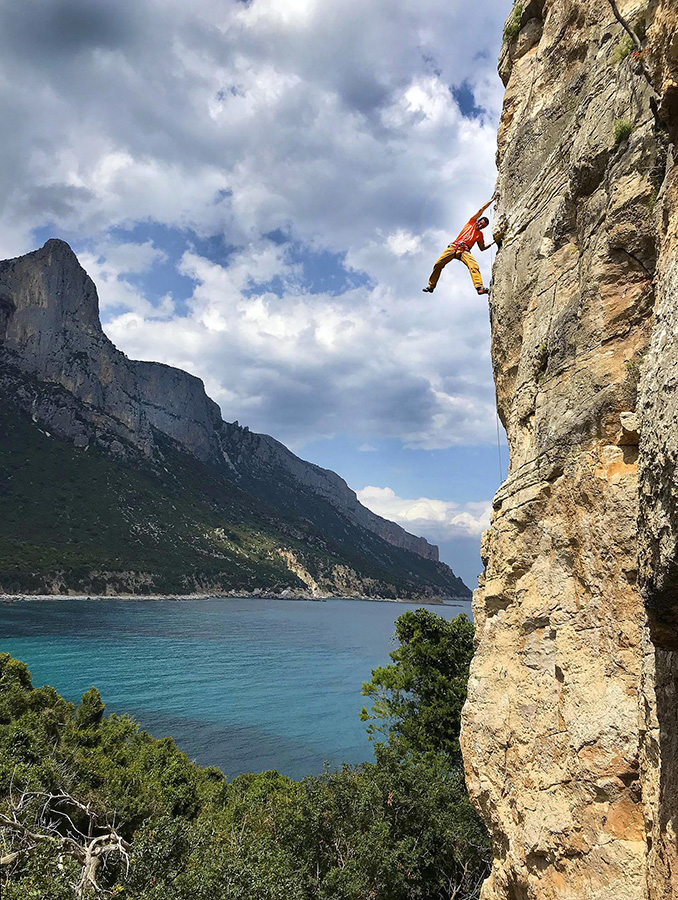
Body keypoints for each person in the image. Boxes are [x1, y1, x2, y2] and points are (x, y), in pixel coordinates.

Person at [423, 194, 497, 295]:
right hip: (454, 247)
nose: (480, 226)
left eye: (482, 226)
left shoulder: (480, 235)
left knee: (474, 266)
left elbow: (482, 248)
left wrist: (493, 241)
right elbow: (481, 210)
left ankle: (479, 288)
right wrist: (492, 200)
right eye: (480, 223)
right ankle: (431, 286)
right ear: (478, 221)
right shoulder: (470, 223)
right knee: (438, 264)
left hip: (464, 251)